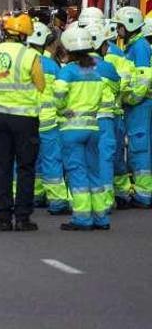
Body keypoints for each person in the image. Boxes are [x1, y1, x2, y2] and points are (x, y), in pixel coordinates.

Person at [0, 13, 45, 232]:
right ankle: (22, 217)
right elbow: (41, 85)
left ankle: (3, 217)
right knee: (25, 168)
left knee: (1, 167)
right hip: (25, 118)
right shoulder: (30, 56)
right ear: (22, 35)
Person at [55, 26, 113, 231]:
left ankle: (82, 218)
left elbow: (59, 93)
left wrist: (63, 109)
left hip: (71, 129)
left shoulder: (67, 71)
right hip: (93, 127)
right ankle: (101, 217)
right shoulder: (95, 72)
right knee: (94, 172)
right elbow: (100, 98)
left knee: (77, 173)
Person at [25, 21, 69, 215]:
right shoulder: (52, 65)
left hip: (28, 121)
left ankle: (34, 195)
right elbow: (62, 93)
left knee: (29, 161)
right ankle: (57, 200)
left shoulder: (23, 61)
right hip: (50, 122)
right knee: (51, 162)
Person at [113, 6, 152, 207]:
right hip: (137, 106)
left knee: (139, 147)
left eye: (119, 26)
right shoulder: (133, 46)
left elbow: (144, 79)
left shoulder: (139, 48)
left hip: (141, 105)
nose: (117, 30)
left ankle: (145, 194)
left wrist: (131, 98)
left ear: (129, 25)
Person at [86, 22, 121, 215]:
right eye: (106, 44)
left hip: (82, 121)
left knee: (86, 160)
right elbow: (118, 88)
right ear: (99, 45)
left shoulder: (75, 67)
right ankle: (105, 201)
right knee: (105, 159)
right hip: (105, 120)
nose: (108, 47)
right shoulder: (107, 67)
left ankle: (86, 200)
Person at [102, 19, 136, 209]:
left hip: (106, 114)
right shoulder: (119, 53)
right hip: (115, 111)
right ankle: (122, 192)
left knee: (105, 156)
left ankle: (115, 194)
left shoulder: (93, 60)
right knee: (114, 155)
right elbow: (124, 82)